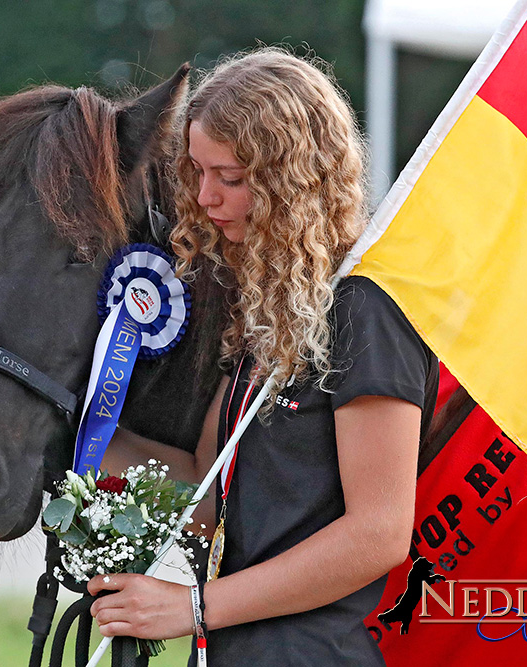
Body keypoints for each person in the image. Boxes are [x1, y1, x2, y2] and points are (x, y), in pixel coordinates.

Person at [91, 48, 439, 665]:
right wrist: (83, 428)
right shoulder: (272, 317)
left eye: (230, 178)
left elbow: (379, 533)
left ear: (293, 180)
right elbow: (208, 501)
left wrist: (193, 606)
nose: (205, 198)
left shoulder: (364, 310)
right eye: (197, 173)